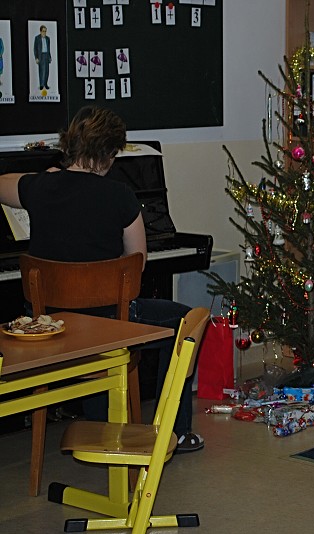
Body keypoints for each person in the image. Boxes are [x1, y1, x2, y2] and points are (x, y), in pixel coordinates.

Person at [0, 106, 203, 453]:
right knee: (186, 320)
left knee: (92, 321)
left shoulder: (38, 187)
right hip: (107, 324)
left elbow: (3, 183)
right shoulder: (121, 196)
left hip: (51, 323)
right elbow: (136, 265)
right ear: (109, 154)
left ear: (69, 145)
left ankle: (98, 423)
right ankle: (176, 431)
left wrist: (46, 175)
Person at [33, 25, 51, 90]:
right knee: (41, 71)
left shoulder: (48, 38)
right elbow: (35, 49)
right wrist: (36, 58)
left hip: (46, 55)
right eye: (43, 31)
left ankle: (45, 84)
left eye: (45, 31)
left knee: (47, 71)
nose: (44, 33)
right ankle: (41, 85)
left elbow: (49, 49)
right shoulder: (37, 38)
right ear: (40, 31)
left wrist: (49, 57)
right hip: (41, 56)